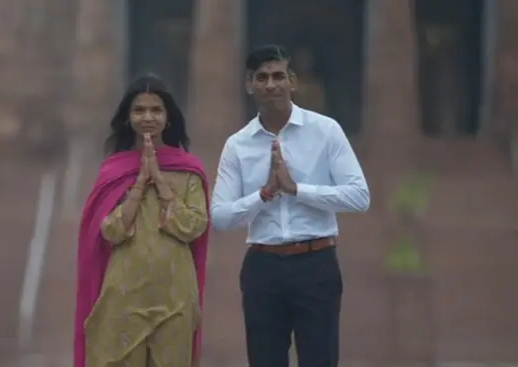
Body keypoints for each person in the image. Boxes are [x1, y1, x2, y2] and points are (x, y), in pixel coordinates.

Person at [210, 44, 370, 367]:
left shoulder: (326, 132)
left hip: (316, 261)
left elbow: (359, 196)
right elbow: (220, 216)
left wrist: (298, 190)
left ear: (293, 81)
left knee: (319, 359)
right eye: (263, 77)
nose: (271, 85)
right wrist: (264, 194)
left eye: (279, 76)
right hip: (263, 265)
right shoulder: (237, 145)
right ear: (249, 84)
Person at [74, 74, 210, 367]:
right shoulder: (114, 171)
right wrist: (139, 183)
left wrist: (160, 181)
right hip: (124, 296)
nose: (147, 117)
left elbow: (195, 226)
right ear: (127, 117)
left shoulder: (188, 171)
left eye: (156, 110)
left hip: (175, 297)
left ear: (168, 117)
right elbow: (110, 231)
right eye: (139, 110)